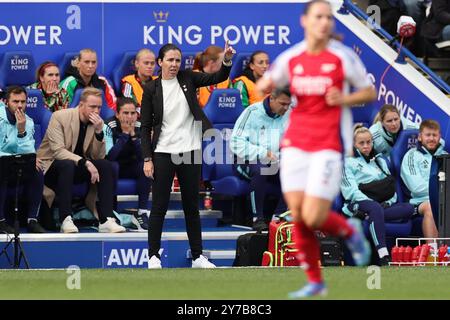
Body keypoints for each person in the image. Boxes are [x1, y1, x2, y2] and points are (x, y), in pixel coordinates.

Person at [257, 0, 377, 298]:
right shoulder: (292, 58)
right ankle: (315, 282)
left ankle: (351, 231)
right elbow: (265, 85)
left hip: (327, 145)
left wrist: (344, 99)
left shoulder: (342, 57)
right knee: (298, 214)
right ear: (305, 21)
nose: (324, 22)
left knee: (312, 214)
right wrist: (267, 83)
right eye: (318, 16)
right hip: (296, 144)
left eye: (328, 17)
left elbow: (369, 91)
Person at [141, 42, 235, 269]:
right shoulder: (151, 89)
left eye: (177, 60)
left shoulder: (188, 78)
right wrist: (147, 158)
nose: (174, 64)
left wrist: (228, 60)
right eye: (170, 60)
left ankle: (197, 257)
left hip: (191, 150)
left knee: (191, 206)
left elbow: (218, 77)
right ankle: (153, 256)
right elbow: (144, 127)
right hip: (163, 151)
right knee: (159, 206)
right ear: (160, 62)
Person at [37, 87, 125, 234]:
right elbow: (58, 151)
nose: (96, 111)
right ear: (81, 104)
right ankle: (66, 218)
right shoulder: (59, 116)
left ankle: (106, 219)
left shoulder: (97, 123)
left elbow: (98, 157)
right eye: (92, 106)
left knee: (105, 165)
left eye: (99, 107)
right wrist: (85, 162)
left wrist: (98, 133)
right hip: (51, 167)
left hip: (76, 167)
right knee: (67, 164)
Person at [341, 125, 414, 265]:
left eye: (369, 142)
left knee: (409, 208)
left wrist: (388, 203)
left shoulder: (379, 161)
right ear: (354, 144)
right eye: (361, 143)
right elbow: (350, 192)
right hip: (357, 203)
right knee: (375, 208)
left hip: (380, 205)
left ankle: (371, 215)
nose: (366, 146)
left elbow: (390, 188)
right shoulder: (347, 162)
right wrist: (372, 204)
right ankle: (383, 254)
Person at [230, 87, 291, 231]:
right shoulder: (252, 113)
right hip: (244, 161)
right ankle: (257, 218)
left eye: (288, 104)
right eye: (282, 104)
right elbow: (236, 142)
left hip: (276, 162)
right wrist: (263, 153)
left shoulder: (289, 115)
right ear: (272, 99)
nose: (286, 108)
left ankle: (279, 217)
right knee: (262, 168)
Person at [0, 86, 46, 233]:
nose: (20, 105)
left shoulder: (29, 122)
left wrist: (21, 131)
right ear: (6, 102)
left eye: (23, 102)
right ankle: (1, 221)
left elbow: (29, 153)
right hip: (3, 165)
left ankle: (32, 220)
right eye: (15, 101)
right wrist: (12, 158)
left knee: (37, 169)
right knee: (2, 168)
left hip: (16, 165)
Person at [104, 97, 151, 230]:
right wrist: (124, 135)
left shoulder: (140, 126)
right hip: (113, 166)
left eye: (133, 113)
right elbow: (110, 156)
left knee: (145, 166)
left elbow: (143, 155)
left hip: (131, 165)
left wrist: (133, 135)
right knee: (112, 166)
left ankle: (142, 212)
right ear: (117, 114)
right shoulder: (109, 125)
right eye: (125, 113)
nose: (130, 117)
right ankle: (110, 213)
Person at [401, 119, 447, 240]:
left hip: (445, 199)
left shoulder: (445, 156)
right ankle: (433, 254)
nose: (431, 138)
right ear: (420, 137)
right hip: (418, 203)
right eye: (428, 135)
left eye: (434, 135)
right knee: (431, 206)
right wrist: (442, 193)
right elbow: (416, 188)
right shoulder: (412, 155)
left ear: (439, 137)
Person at [121, 48, 158, 113]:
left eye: (152, 63)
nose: (150, 66)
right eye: (146, 63)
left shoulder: (159, 81)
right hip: (138, 119)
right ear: (136, 64)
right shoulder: (129, 82)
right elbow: (130, 106)